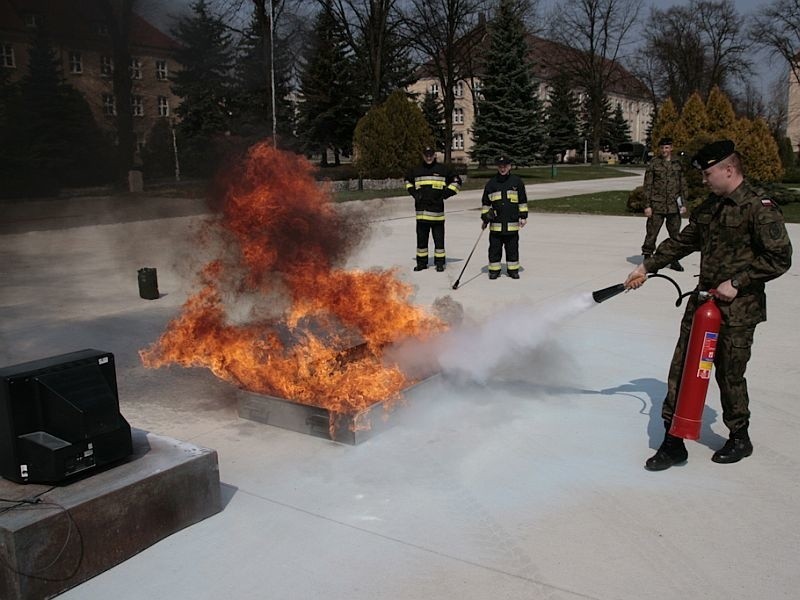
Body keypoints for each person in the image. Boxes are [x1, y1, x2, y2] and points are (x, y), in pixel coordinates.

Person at [625, 140, 792, 471]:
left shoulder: (759, 207)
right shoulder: (711, 206)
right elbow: (684, 241)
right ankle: (673, 441)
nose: (704, 179)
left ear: (729, 169)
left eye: (708, 173)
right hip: (704, 303)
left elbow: (780, 257)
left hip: (739, 309)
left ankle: (739, 436)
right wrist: (647, 266)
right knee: (683, 367)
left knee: (729, 374)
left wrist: (738, 282)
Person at [404, 146, 462, 272]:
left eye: (431, 155)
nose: (428, 157)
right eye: (426, 155)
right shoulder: (416, 170)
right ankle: (421, 263)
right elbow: (407, 181)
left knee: (439, 241)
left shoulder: (443, 170)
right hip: (421, 213)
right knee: (421, 241)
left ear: (434, 155)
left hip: (437, 214)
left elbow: (457, 182)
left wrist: (445, 194)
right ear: (423, 156)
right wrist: (414, 192)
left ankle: (440, 263)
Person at [641, 137, 687, 271]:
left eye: (667, 148)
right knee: (652, 233)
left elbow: (682, 184)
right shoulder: (654, 163)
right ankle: (647, 258)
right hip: (657, 205)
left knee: (675, 235)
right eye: (662, 148)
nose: (664, 150)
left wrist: (683, 203)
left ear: (671, 148)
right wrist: (647, 205)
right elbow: (647, 185)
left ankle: (674, 259)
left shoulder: (678, 163)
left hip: (674, 205)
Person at [480, 155, 528, 279]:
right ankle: (494, 270)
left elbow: (522, 201)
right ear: (497, 167)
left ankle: (513, 270)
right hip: (496, 225)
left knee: (512, 248)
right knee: (494, 249)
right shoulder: (491, 183)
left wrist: (523, 216)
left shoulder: (517, 182)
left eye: (505, 166)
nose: (503, 169)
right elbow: (485, 203)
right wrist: (485, 217)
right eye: (500, 166)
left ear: (509, 167)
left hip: (512, 224)